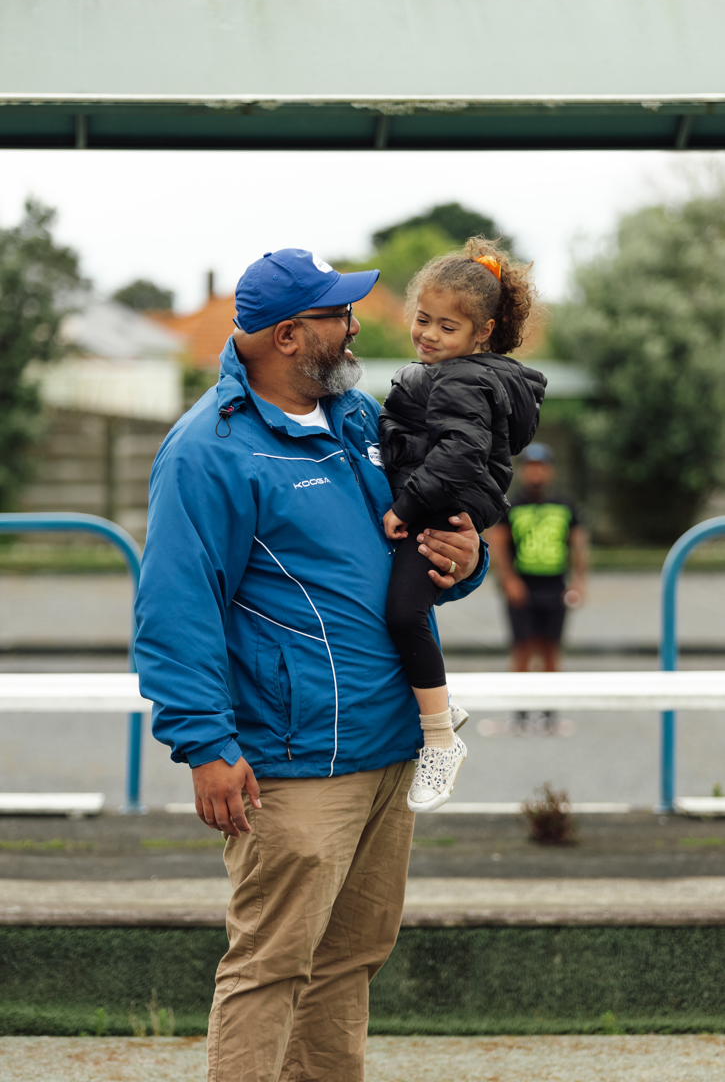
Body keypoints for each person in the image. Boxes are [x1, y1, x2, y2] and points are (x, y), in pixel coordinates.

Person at [134, 248, 487, 1082]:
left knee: (348, 962)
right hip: (292, 765)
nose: (357, 324)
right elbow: (174, 611)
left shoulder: (361, 420)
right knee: (270, 970)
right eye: (337, 314)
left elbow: (413, 566)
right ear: (289, 336)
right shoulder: (207, 452)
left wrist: (461, 558)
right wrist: (206, 746)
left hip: (390, 745)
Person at [379, 237, 547, 812]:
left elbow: (458, 455)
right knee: (405, 609)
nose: (428, 335)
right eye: (422, 319)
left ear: (483, 332)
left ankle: (440, 738)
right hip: (449, 504)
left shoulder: (460, 379)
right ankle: (439, 711)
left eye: (446, 328)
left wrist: (404, 506)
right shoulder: (472, 375)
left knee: (403, 611)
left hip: (439, 507)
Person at [487, 441, 588, 731]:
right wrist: (508, 580)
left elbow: (579, 545)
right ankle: (519, 714)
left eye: (541, 467)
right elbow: (499, 545)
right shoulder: (510, 506)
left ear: (550, 471)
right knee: (522, 648)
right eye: (531, 467)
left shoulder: (566, 506)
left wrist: (578, 582)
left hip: (555, 585)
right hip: (522, 586)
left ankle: (548, 713)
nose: (536, 473)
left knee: (551, 649)